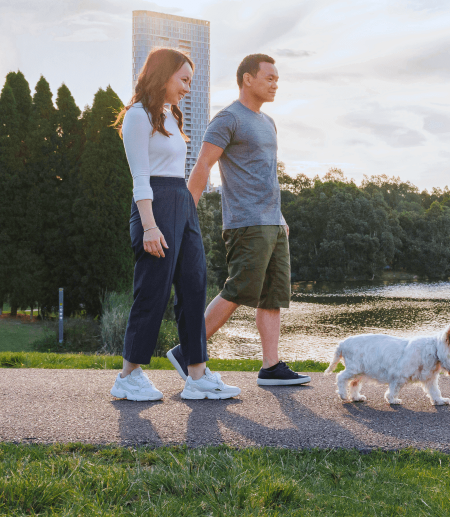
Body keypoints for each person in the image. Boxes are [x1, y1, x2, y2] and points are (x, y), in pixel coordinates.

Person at [166, 53, 309, 387]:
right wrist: (186, 213)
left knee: (273, 295)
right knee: (239, 288)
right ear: (248, 78)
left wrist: (281, 216)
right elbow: (203, 166)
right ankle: (188, 350)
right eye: (269, 78)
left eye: (277, 79)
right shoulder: (228, 119)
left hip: (272, 223)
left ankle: (271, 366)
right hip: (246, 223)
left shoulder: (268, 122)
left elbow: (267, 175)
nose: (275, 84)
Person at [112, 47, 241, 401]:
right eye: (183, 79)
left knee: (194, 283)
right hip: (154, 204)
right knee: (152, 290)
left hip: (181, 202)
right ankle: (129, 375)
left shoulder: (171, 116)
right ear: (162, 75)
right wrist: (150, 226)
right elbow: (140, 178)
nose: (187, 87)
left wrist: (185, 209)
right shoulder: (138, 116)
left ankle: (197, 375)